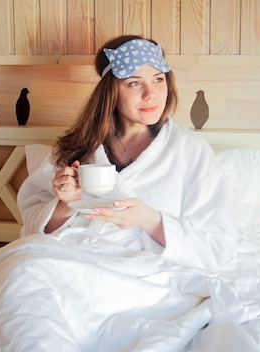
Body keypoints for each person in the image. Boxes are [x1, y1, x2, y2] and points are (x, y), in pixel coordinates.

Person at [17, 35, 239, 271]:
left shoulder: (190, 151)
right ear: (111, 91)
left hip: (147, 272)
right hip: (71, 260)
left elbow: (217, 249)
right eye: (134, 83)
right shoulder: (79, 145)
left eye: (158, 79)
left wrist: (149, 220)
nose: (150, 93)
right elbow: (33, 230)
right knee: (21, 278)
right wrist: (66, 204)